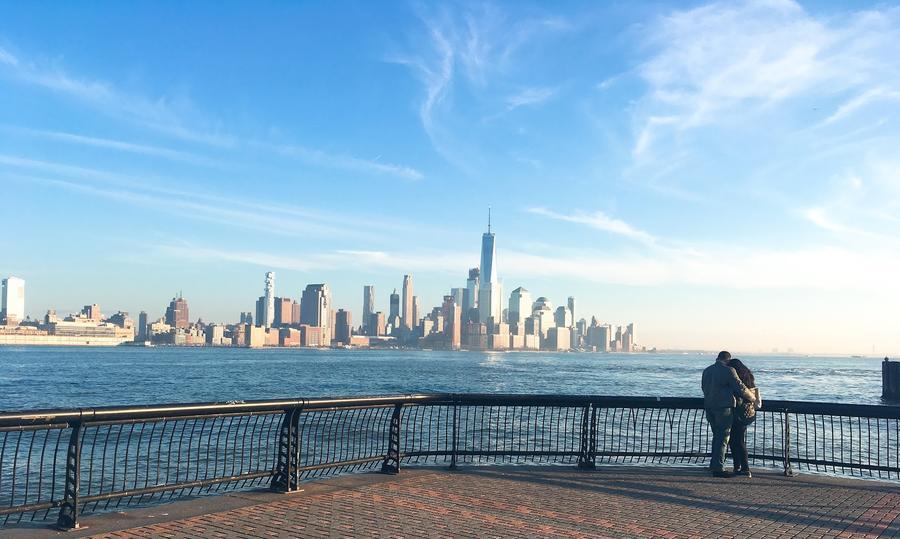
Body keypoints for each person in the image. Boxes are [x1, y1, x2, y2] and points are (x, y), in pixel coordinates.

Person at [701, 351, 756, 478]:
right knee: (723, 438)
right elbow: (740, 388)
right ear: (727, 359)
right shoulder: (729, 370)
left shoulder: (707, 370)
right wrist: (752, 398)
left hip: (709, 406)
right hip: (724, 408)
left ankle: (713, 464)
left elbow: (704, 387)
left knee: (716, 436)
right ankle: (719, 468)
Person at [728, 358, 761, 477]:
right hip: (749, 413)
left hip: (738, 413)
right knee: (738, 439)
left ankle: (742, 467)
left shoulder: (736, 379)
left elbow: (737, 392)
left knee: (735, 440)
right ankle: (740, 467)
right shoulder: (749, 377)